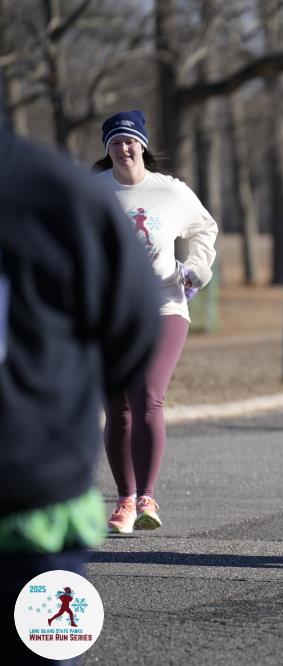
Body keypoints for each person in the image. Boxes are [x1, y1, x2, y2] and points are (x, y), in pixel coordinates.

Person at [0, 126, 160, 664]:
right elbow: (131, 334)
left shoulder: (60, 194)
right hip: (36, 491)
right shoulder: (63, 189)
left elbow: (133, 324)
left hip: (31, 518)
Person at [93, 110, 218, 533]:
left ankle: (147, 498)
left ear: (142, 145)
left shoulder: (171, 192)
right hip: (108, 312)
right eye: (115, 142)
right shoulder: (92, 192)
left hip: (163, 306)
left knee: (147, 396)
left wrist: (196, 269)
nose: (123, 149)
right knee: (117, 407)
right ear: (107, 149)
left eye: (130, 141)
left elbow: (205, 229)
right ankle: (125, 500)